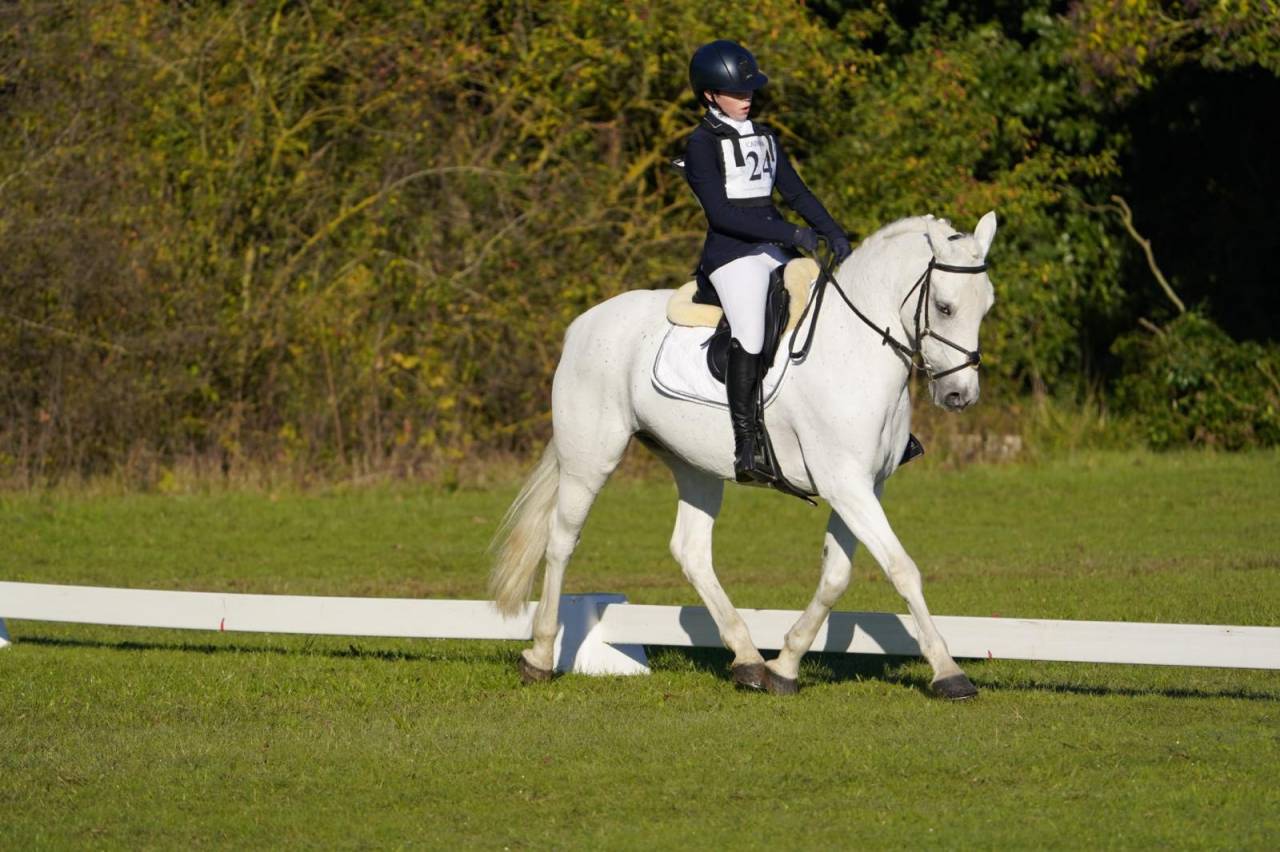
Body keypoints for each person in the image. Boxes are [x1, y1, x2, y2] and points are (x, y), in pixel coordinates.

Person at [683, 39, 852, 485]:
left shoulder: (765, 137)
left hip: (775, 249)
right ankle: (747, 446)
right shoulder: (700, 144)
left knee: (833, 309)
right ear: (709, 95)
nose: (747, 98)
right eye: (737, 93)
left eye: (749, 91)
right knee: (751, 332)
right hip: (733, 254)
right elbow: (721, 214)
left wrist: (833, 231)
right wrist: (790, 234)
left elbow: (795, 193)